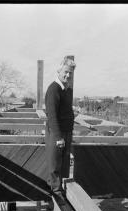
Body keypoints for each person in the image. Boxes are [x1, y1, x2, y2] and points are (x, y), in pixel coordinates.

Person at [45, 57, 76, 194]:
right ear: (59, 70)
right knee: (55, 164)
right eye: (66, 72)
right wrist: (58, 137)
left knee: (63, 163)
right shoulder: (54, 89)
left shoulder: (67, 89)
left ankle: (62, 190)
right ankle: (56, 193)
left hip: (67, 131)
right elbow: (51, 115)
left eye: (70, 73)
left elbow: (66, 111)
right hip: (57, 132)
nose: (68, 75)